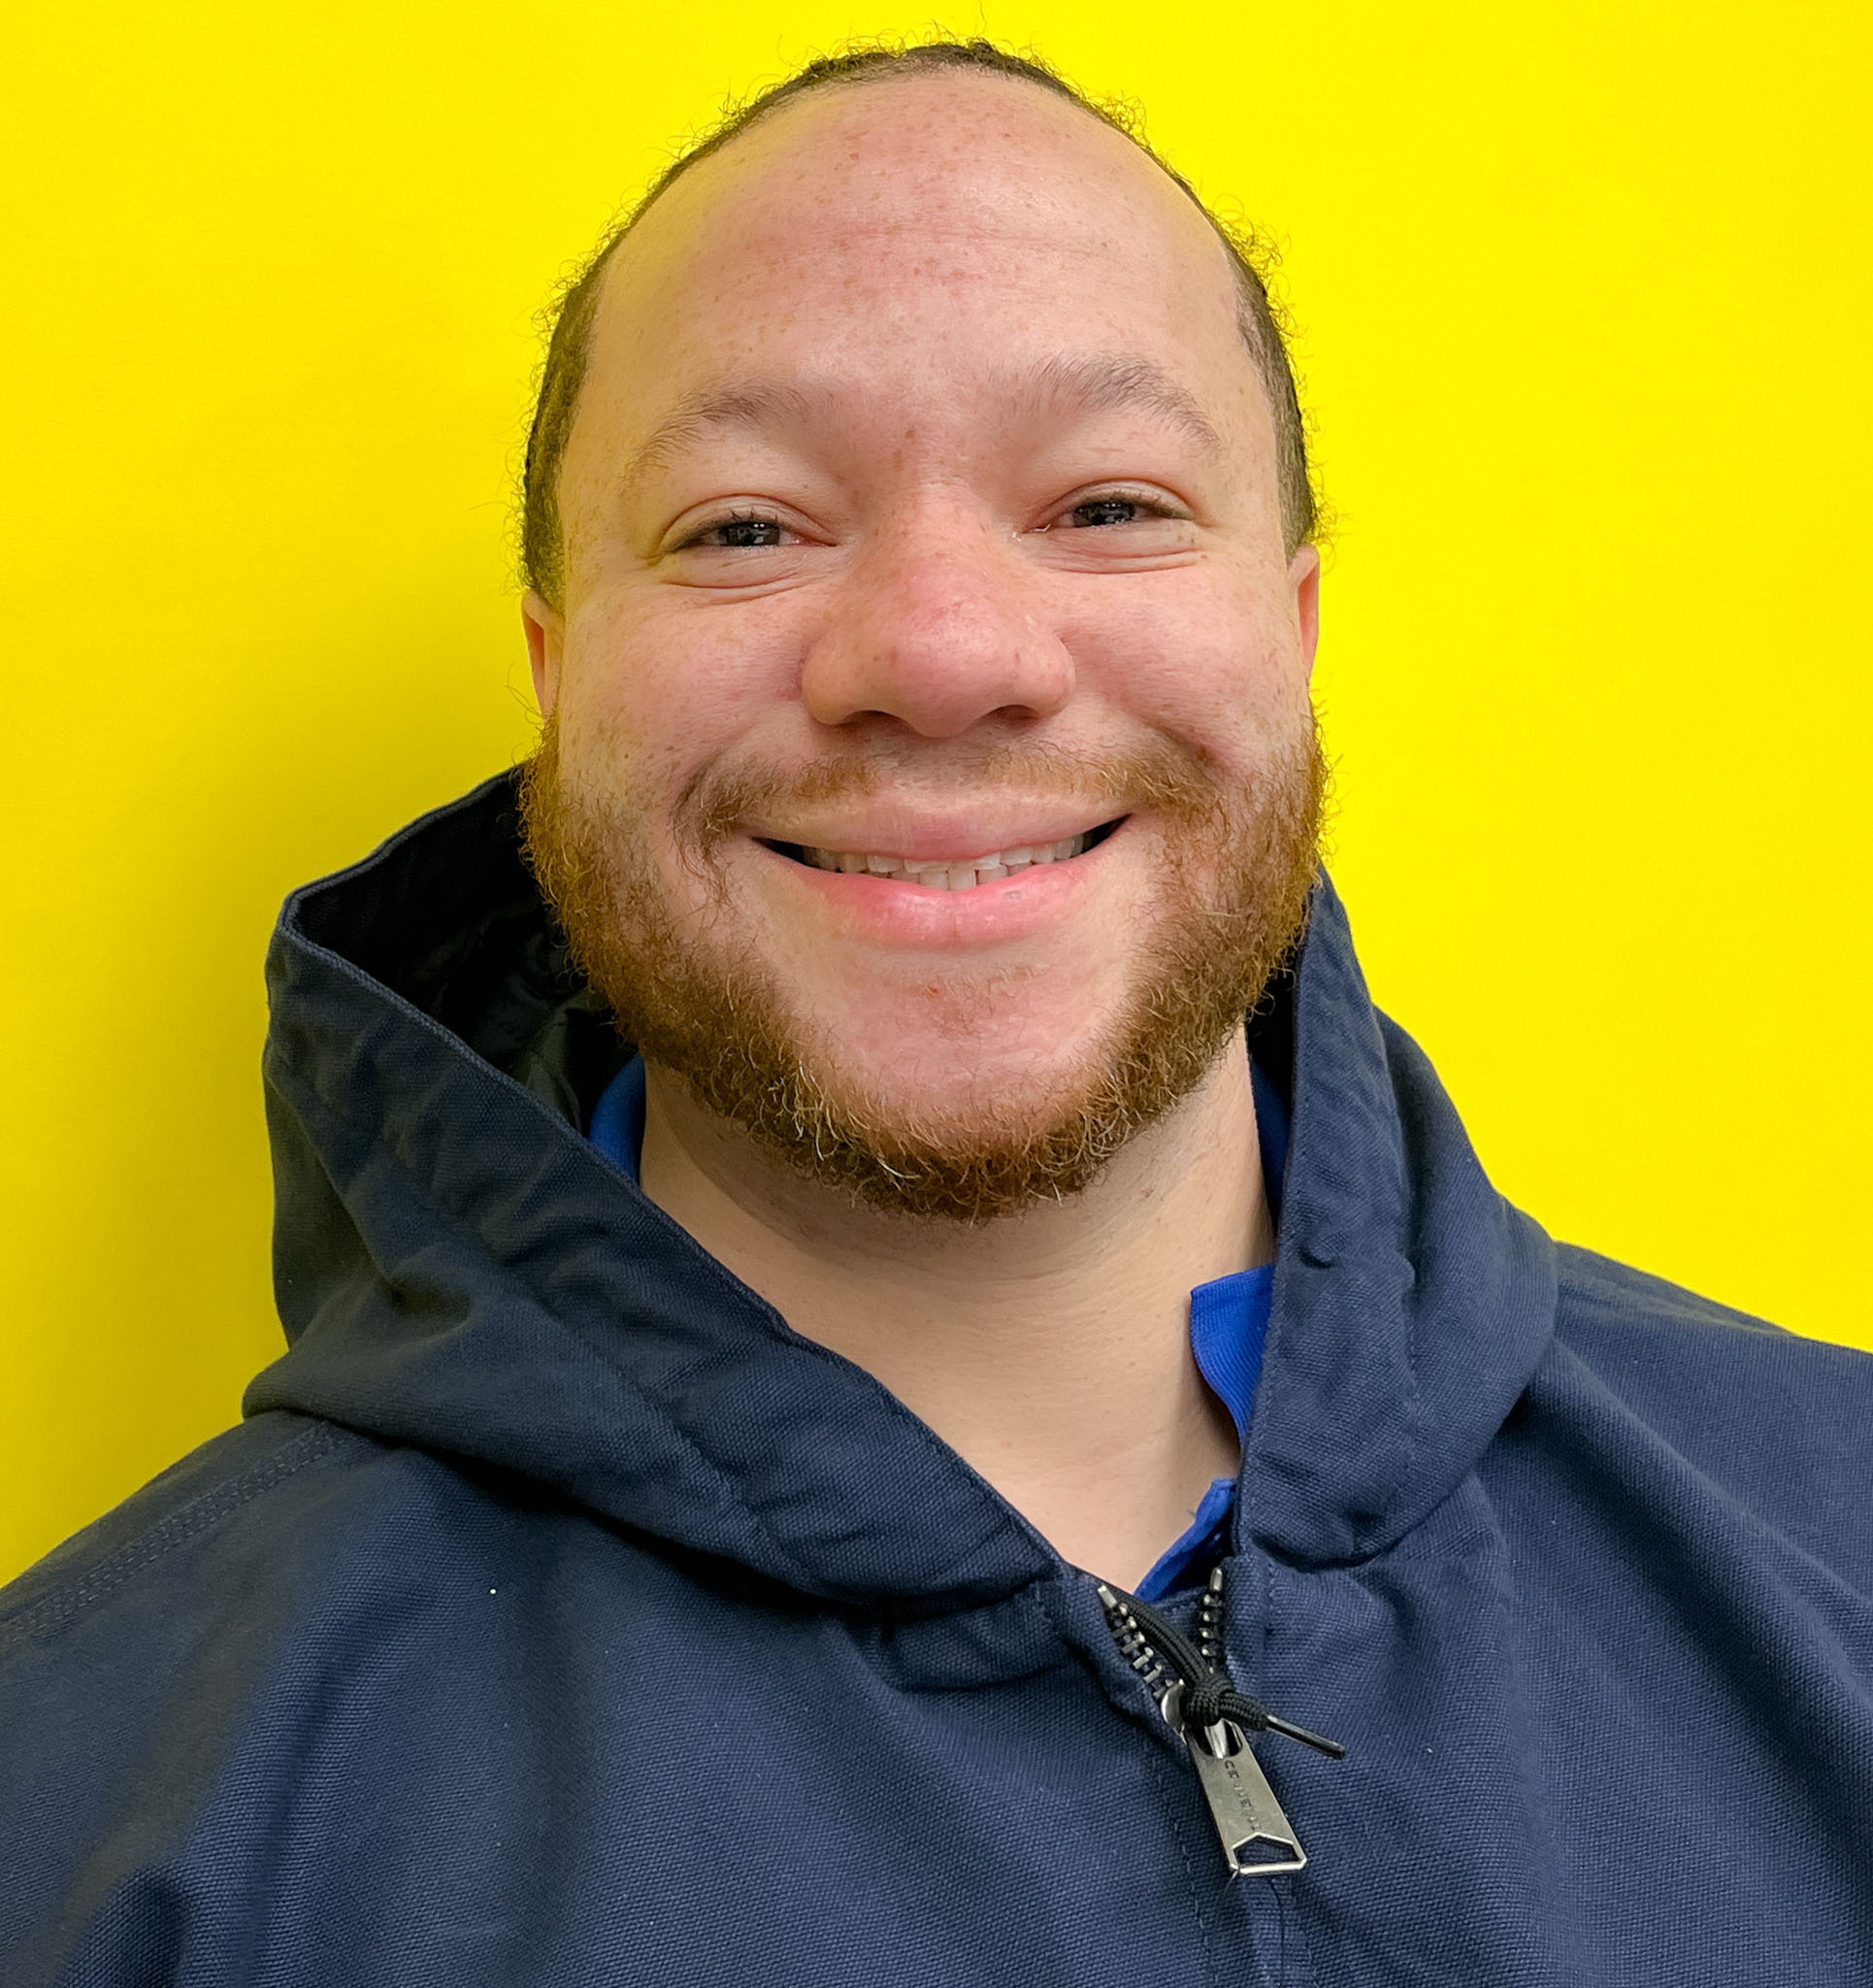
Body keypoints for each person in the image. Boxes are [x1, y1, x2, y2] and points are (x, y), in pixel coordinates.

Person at [3, 37, 1869, 1987]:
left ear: (1293, 635)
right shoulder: (75, 1824)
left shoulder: (1841, 1540)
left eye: (1108, 502)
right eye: (742, 525)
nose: (940, 650)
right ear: (560, 681)